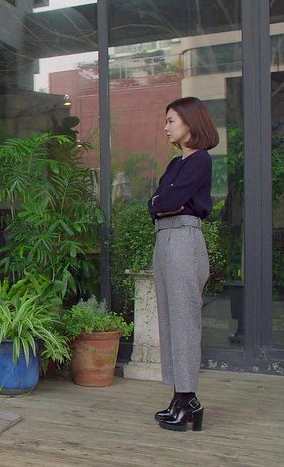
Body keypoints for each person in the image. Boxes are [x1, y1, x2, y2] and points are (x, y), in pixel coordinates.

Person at [148, 96, 218, 432]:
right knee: (169, 317)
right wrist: (160, 203)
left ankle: (188, 398)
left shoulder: (200, 159)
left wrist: (163, 202)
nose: (166, 127)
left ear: (191, 123)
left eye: (171, 120)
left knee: (184, 319)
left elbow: (171, 199)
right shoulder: (175, 164)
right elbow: (155, 203)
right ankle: (180, 397)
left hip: (184, 239)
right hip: (164, 238)